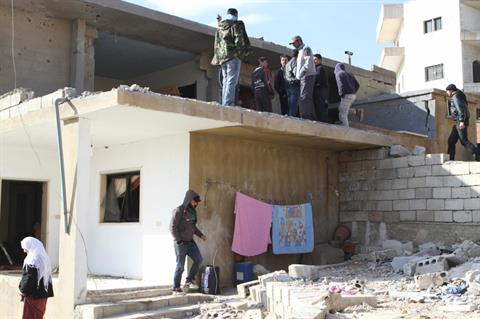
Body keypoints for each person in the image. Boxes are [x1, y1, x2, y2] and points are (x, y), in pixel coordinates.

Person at [211, 8, 252, 106]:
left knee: (226, 81)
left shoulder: (220, 26)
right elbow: (239, 40)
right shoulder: (236, 24)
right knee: (231, 81)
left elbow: (217, 43)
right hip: (233, 56)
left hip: (222, 57)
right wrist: (241, 54)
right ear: (236, 14)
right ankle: (228, 103)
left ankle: (225, 102)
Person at [170, 190, 207, 294]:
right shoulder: (178, 211)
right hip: (180, 244)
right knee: (180, 266)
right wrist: (179, 241)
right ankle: (176, 287)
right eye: (195, 202)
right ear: (189, 200)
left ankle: (189, 280)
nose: (196, 204)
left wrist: (201, 235)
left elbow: (192, 227)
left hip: (190, 243)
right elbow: (172, 227)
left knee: (199, 259)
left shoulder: (192, 212)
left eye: (197, 202)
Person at [19, 237, 54, 319]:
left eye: (25, 248)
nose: (24, 251)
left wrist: (22, 290)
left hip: (33, 296)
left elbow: (29, 277)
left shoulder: (33, 259)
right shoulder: (44, 257)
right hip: (43, 295)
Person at [445, 84, 480, 161]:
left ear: (451, 91)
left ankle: (478, 153)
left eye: (447, 91)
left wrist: (461, 121)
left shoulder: (456, 97)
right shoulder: (458, 95)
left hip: (459, 122)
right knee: (451, 141)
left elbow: (460, 109)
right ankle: (451, 159)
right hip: (457, 122)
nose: (447, 93)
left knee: (464, 141)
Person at [290, 35, 316, 120]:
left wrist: (300, 75)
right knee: (306, 97)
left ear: (299, 41)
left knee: (304, 97)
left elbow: (307, 64)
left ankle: (306, 118)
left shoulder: (306, 49)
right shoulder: (300, 51)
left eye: (294, 43)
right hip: (303, 77)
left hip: (307, 76)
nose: (293, 45)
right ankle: (311, 118)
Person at [313, 54, 329, 123]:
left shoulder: (320, 68)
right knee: (319, 108)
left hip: (320, 91)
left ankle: (322, 123)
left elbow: (317, 78)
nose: (314, 61)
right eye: (313, 60)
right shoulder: (316, 68)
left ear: (320, 60)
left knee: (321, 108)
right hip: (320, 91)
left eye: (316, 59)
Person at [285, 50, 300, 117]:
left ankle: (290, 116)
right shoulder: (295, 61)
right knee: (294, 103)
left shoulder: (288, 63)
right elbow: (295, 72)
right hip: (294, 84)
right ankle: (292, 117)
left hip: (288, 84)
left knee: (290, 103)